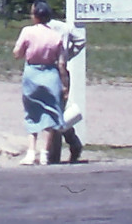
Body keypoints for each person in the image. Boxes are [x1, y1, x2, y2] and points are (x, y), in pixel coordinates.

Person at [12, 0, 68, 166]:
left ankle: (31, 152)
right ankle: (45, 152)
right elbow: (62, 63)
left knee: (32, 111)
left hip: (32, 72)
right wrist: (64, 84)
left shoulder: (28, 32)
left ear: (35, 15)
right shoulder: (56, 36)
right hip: (51, 74)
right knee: (50, 113)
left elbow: (17, 53)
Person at [46, 16, 85, 163]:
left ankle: (53, 155)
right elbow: (81, 41)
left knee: (53, 113)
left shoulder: (46, 29)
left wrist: (66, 56)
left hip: (55, 69)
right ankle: (73, 142)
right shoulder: (64, 27)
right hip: (61, 68)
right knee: (57, 112)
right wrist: (70, 54)